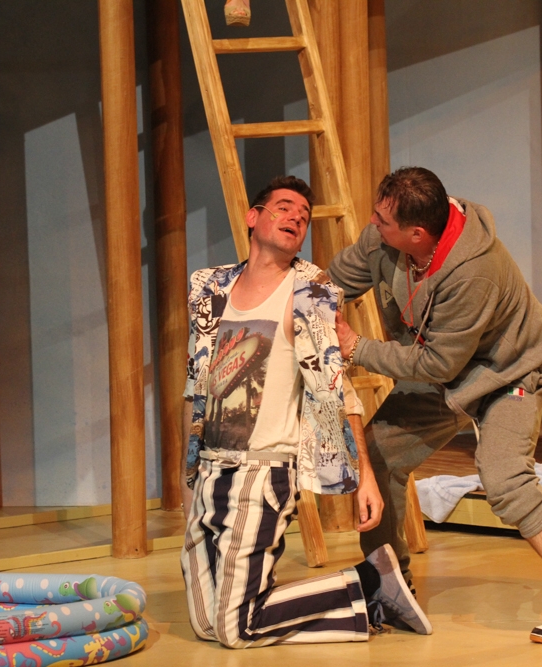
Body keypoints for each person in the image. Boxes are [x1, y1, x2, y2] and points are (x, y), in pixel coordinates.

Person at [328, 167, 542, 644]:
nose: (372, 224)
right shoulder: (383, 240)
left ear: (417, 234)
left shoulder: (474, 271)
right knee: (378, 456)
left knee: (504, 476)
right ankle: (389, 585)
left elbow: (438, 362)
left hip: (509, 370)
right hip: (448, 368)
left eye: (383, 220)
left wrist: (356, 348)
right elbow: (332, 283)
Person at [179, 176, 432, 649]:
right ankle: (369, 601)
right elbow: (197, 384)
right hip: (210, 467)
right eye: (283, 207)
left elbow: (338, 389)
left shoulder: (311, 293)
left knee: (235, 628)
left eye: (303, 215)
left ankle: (367, 580)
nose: (295, 217)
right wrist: (187, 469)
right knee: (207, 625)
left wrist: (365, 476)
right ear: (253, 217)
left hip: (263, 471)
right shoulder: (209, 288)